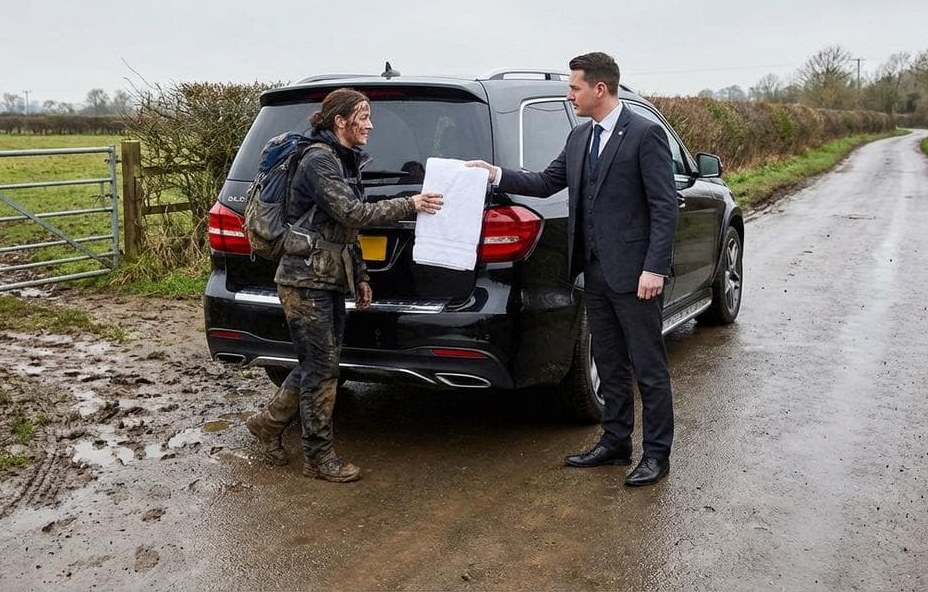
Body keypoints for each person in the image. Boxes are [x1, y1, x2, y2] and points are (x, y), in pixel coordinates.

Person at [466, 52, 678, 487]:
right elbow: (546, 182)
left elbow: (664, 206)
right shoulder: (580, 137)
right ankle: (616, 442)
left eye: (574, 87)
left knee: (648, 367)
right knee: (610, 361)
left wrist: (654, 268)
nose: (570, 94)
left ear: (600, 89)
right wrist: (495, 174)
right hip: (593, 273)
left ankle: (657, 455)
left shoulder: (645, 133)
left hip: (637, 275)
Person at [245, 88, 444, 483]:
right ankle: (318, 458)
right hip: (304, 280)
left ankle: (267, 425)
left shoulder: (339, 158)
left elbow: (342, 229)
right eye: (363, 116)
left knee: (320, 365)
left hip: (326, 277)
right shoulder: (320, 160)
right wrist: (412, 203)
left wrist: (363, 277)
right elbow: (354, 213)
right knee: (322, 370)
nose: (369, 125)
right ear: (340, 121)